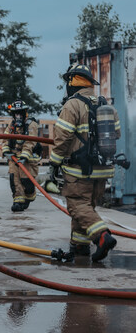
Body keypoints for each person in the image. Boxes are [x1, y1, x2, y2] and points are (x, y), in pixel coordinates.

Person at [49, 63, 121, 262]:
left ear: (72, 82)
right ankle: (81, 247)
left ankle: (103, 236)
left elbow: (62, 138)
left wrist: (54, 163)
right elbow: (116, 134)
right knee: (87, 208)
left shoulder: (72, 105)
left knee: (77, 206)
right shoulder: (105, 104)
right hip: (102, 169)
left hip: (79, 169)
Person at [2, 100, 41, 212]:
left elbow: (30, 142)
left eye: (20, 113)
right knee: (14, 180)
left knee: (26, 182)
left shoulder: (31, 124)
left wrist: (24, 156)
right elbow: (5, 138)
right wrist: (6, 152)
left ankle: (30, 196)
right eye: (15, 113)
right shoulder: (11, 124)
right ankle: (18, 201)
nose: (18, 116)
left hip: (27, 158)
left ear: (25, 112)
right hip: (13, 157)